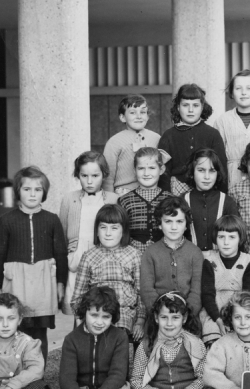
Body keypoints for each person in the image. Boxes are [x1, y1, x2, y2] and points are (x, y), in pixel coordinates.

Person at [0, 166, 68, 362]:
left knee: (39, 334)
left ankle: (37, 375)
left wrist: (60, 284)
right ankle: (16, 373)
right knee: (16, 330)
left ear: (44, 193)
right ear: (18, 191)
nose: (32, 194)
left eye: (38, 190)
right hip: (16, 282)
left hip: (43, 283)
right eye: (27, 189)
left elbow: (60, 254)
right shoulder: (6, 220)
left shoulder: (52, 220)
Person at [39, 286, 133, 389]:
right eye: (94, 315)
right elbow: (67, 380)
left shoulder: (119, 337)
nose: (99, 322)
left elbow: (118, 375)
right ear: (85, 312)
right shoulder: (72, 339)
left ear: (112, 317)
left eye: (106, 317)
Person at [123, 293, 206, 389]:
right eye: (164, 317)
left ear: (184, 319)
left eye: (175, 318)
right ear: (156, 318)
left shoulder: (195, 344)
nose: (169, 323)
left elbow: (202, 378)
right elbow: (136, 379)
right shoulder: (147, 345)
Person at [70, 204, 145, 344]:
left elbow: (141, 292)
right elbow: (78, 297)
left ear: (123, 231)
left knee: (118, 331)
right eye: (103, 227)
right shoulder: (89, 256)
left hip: (125, 314)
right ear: (97, 231)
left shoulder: (134, 255)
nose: (108, 233)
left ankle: (118, 363)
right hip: (98, 312)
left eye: (114, 228)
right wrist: (83, 320)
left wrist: (140, 321)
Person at [58, 151, 119, 315]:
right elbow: (62, 234)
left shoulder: (113, 199)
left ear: (104, 175)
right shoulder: (69, 199)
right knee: (79, 310)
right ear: (78, 175)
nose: (90, 181)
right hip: (76, 263)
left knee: (102, 308)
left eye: (95, 175)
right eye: (84, 175)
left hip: (104, 263)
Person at [140, 196, 204, 317]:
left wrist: (187, 315)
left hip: (187, 317)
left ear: (186, 225)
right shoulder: (150, 252)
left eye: (179, 221)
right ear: (159, 224)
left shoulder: (195, 253)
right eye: (168, 221)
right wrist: (160, 314)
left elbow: (197, 291)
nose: (174, 227)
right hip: (158, 317)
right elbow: (146, 290)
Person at [199, 215, 250, 345]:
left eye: (232, 237)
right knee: (214, 344)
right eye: (221, 237)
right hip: (213, 314)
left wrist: (236, 318)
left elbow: (249, 295)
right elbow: (207, 295)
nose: (226, 242)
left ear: (240, 239)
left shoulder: (248, 261)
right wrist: (218, 319)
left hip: (240, 312)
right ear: (215, 238)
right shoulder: (209, 260)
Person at [158, 83, 228, 191]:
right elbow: (163, 172)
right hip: (176, 193)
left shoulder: (213, 134)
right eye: (185, 105)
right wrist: (168, 199)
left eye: (195, 105)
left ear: (202, 107)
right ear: (178, 107)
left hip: (207, 192)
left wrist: (220, 197)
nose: (190, 110)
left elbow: (221, 169)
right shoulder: (168, 135)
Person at [180, 148, 240, 252]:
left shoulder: (227, 201)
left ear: (218, 173)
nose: (207, 177)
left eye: (212, 171)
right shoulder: (182, 200)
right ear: (192, 171)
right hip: (190, 262)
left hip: (220, 262)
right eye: (201, 170)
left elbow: (236, 235)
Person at [102, 94, 161, 195]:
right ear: (122, 117)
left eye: (143, 112)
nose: (139, 116)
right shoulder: (114, 142)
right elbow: (108, 176)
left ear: (147, 116)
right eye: (133, 113)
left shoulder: (156, 138)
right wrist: (110, 199)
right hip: (123, 193)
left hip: (152, 191)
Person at [118, 147, 173, 254]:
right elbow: (121, 232)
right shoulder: (124, 201)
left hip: (163, 255)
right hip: (133, 256)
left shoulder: (170, 199)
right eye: (141, 168)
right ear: (134, 170)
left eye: (152, 168)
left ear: (161, 170)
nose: (146, 173)